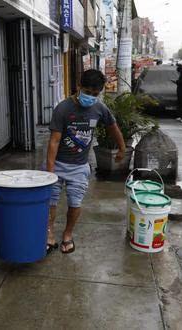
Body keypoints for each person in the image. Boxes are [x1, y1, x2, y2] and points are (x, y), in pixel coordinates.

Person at [46, 69, 126, 254]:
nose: (91, 97)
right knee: (50, 202)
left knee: (75, 203)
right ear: (79, 86)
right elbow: (54, 141)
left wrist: (121, 148)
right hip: (57, 164)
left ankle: (67, 234)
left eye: (95, 94)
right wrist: (49, 171)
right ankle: (48, 234)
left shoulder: (99, 108)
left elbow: (113, 127)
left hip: (79, 168)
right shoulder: (63, 108)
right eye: (88, 92)